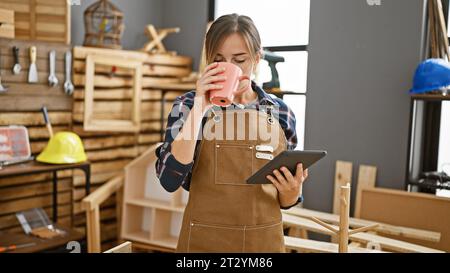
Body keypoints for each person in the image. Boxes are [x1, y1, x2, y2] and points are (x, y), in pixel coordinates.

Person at [155, 13, 308, 253]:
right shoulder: (187, 106)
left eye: (240, 60)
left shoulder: (281, 112)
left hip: (262, 246)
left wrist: (292, 193)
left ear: (257, 59)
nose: (230, 68)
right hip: (202, 245)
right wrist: (200, 107)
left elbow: (285, 200)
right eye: (219, 59)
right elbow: (169, 180)